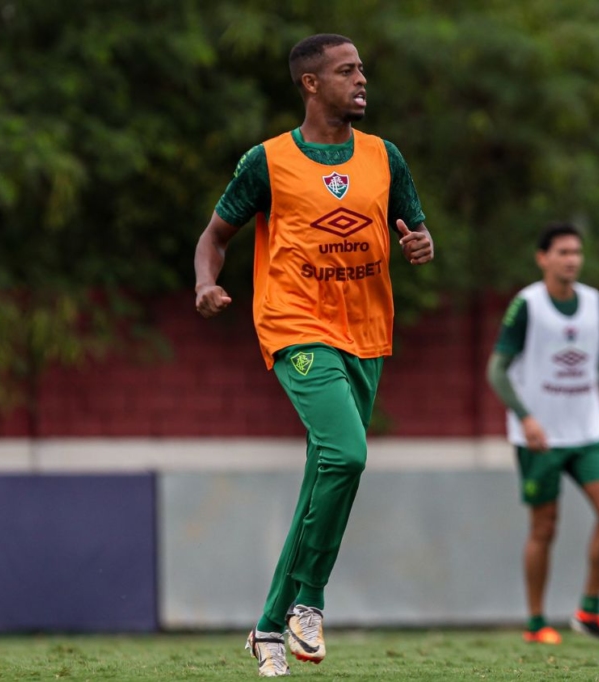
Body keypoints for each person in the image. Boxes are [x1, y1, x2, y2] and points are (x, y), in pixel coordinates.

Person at [194, 33, 434, 677]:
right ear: (310, 83)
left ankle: (269, 627)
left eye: (362, 69)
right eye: (347, 71)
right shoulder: (267, 161)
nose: (362, 80)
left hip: (367, 333)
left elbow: (414, 225)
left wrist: (420, 244)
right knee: (349, 453)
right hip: (296, 327)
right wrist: (205, 283)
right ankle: (311, 601)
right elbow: (215, 236)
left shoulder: (385, 157)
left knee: (323, 475)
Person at [486, 223, 599, 645]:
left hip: (588, 431)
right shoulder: (527, 305)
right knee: (544, 527)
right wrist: (526, 418)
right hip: (541, 437)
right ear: (542, 258)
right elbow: (496, 369)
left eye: (577, 252)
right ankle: (535, 623)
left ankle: (590, 610)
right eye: (563, 252)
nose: (572, 260)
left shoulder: (594, 303)